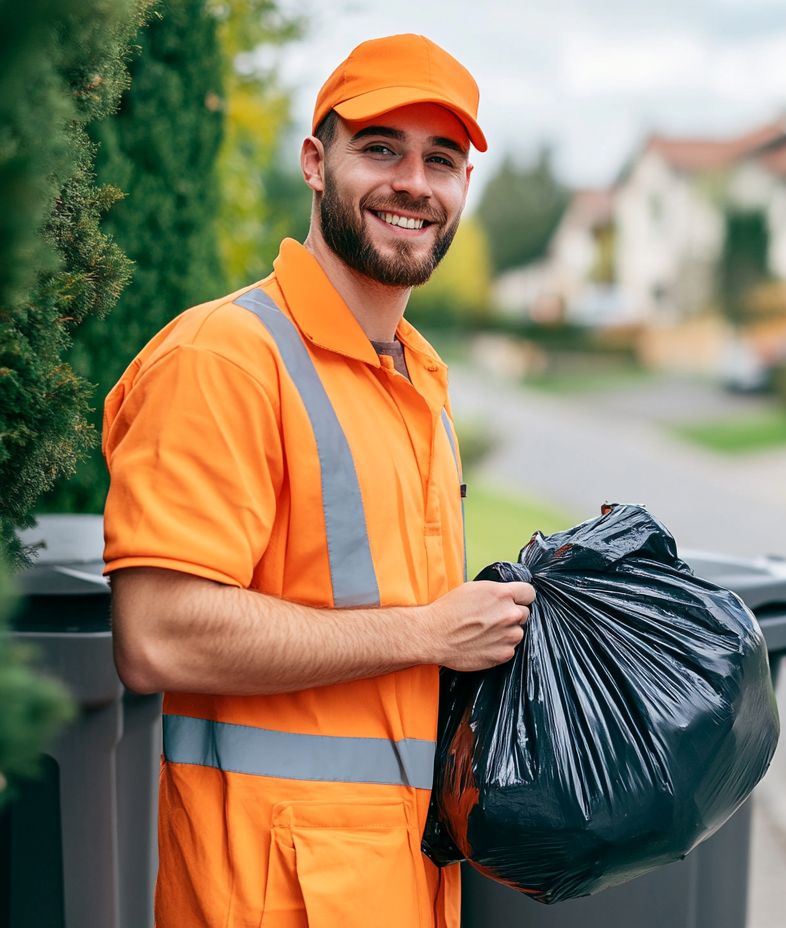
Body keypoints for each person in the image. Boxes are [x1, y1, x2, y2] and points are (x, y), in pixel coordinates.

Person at [103, 34, 534, 928]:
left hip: (403, 891)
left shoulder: (418, 379)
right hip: (268, 898)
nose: (413, 181)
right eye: (381, 148)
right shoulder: (225, 359)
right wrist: (428, 632)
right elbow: (159, 636)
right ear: (314, 162)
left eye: (441, 160)